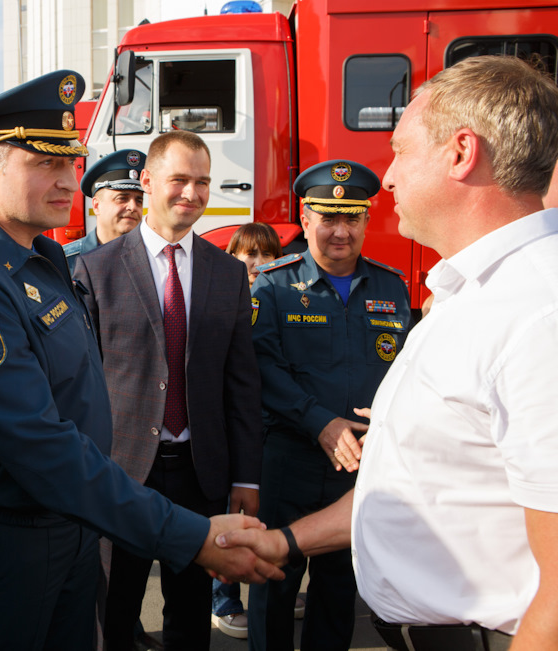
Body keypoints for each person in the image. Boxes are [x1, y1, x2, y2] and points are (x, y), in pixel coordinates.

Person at [0, 69, 283, 651]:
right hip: (12, 544)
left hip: (73, 524)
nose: (67, 182)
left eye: (71, 163)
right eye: (46, 165)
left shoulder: (41, 259)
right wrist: (188, 535)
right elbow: (40, 446)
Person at [220, 55, 558, 651]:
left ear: (460, 152)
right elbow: (419, 478)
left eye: (401, 150)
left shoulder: (536, 312)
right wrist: (285, 541)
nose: (391, 178)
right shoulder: (465, 296)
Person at [73, 130, 262, 650]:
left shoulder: (228, 273)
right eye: (179, 180)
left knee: (189, 616)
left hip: (201, 476)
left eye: (203, 182)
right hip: (123, 474)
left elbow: (240, 383)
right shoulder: (95, 269)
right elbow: (81, 385)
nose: (192, 193)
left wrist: (246, 476)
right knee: (114, 613)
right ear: (149, 182)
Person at [247, 159, 411, 651]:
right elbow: (261, 369)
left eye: (353, 218)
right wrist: (319, 423)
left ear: (365, 220)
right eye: (327, 218)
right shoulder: (273, 285)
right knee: (274, 581)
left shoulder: (392, 286)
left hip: (359, 466)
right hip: (290, 460)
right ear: (305, 217)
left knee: (340, 591)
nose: (341, 231)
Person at [213, 220, 290, 640]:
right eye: (249, 254)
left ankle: (269, 581)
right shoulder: (224, 296)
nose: (258, 262)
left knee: (267, 515)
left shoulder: (283, 295)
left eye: (267, 254)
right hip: (233, 428)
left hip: (273, 428)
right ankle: (223, 597)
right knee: (228, 513)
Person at [63, 148, 146, 273]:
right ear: (96, 206)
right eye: (122, 198)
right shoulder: (66, 262)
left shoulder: (151, 261)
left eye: (139, 201)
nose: (133, 207)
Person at [226, 222, 283, 289]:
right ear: (234, 258)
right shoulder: (219, 295)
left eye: (266, 255)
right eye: (251, 254)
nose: (259, 264)